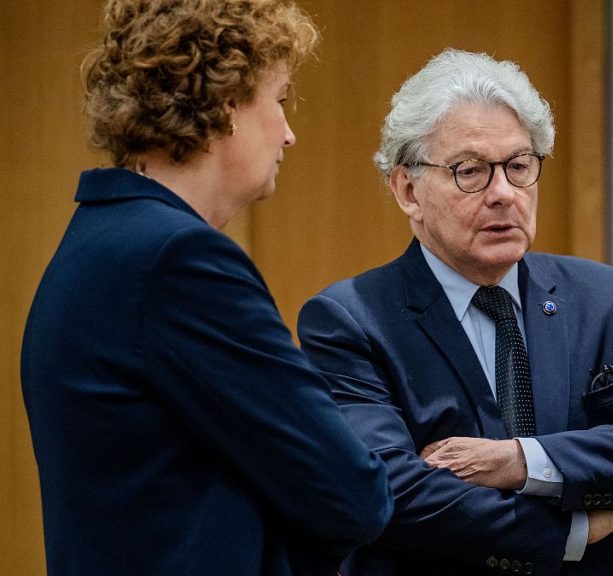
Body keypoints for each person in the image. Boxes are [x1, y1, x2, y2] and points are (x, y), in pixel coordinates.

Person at [296, 48, 613, 576]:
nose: (503, 194)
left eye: (519, 167)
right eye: (470, 171)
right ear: (408, 190)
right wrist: (573, 531)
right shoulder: (350, 319)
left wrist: (522, 461)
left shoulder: (606, 297)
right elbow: (393, 491)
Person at [20, 1, 392, 574]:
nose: (289, 134)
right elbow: (353, 495)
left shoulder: (97, 237)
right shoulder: (178, 261)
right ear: (227, 103)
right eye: (281, 100)